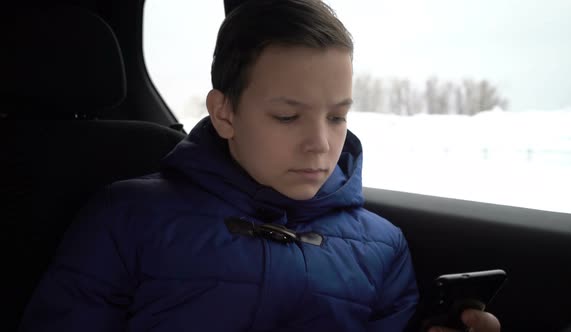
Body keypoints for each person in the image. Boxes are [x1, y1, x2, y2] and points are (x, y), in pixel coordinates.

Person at [19, 0, 501, 331]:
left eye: (337, 116)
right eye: (288, 116)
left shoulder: (383, 245)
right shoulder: (126, 217)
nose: (320, 144)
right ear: (225, 112)